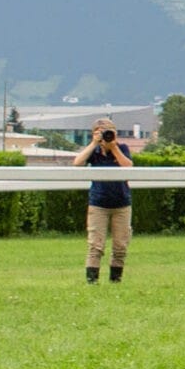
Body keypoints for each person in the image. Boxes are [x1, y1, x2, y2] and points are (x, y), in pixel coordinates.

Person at [77, 117, 134, 283]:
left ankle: (115, 280)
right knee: (95, 245)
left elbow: (128, 167)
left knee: (120, 245)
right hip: (98, 203)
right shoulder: (94, 153)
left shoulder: (122, 148)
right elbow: (77, 163)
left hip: (121, 203)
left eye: (109, 131)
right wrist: (94, 144)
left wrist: (114, 147)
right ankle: (92, 280)